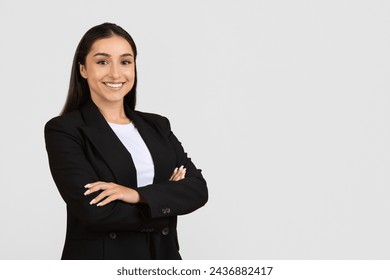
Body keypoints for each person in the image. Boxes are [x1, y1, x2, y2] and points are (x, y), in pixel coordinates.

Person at [44, 22, 208, 260]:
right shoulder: (65, 130)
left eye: (125, 61)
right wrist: (168, 199)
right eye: (102, 61)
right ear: (83, 69)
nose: (115, 73)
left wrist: (136, 195)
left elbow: (197, 189)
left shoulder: (157, 125)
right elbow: (95, 212)